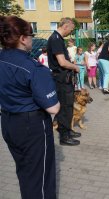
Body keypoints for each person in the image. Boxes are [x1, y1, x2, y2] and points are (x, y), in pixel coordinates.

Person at [0, 16, 60, 199]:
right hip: (31, 126)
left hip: (8, 122)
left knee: (25, 173)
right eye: (30, 35)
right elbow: (53, 108)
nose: (32, 39)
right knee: (40, 179)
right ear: (22, 38)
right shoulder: (32, 67)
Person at [47, 17, 81, 146]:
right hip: (61, 79)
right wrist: (75, 67)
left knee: (68, 105)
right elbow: (61, 62)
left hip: (65, 78)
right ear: (65, 26)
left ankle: (68, 130)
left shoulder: (59, 39)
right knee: (64, 107)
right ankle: (64, 136)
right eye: (71, 30)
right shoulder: (55, 39)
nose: (70, 33)